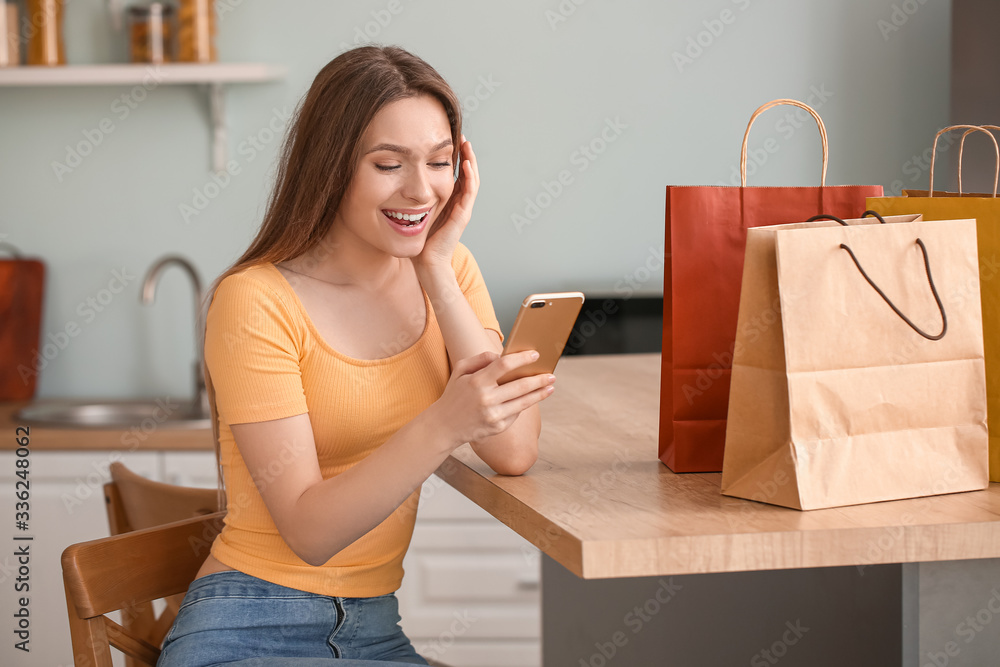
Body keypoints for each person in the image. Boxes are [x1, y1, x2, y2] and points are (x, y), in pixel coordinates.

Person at [157, 46, 555, 666]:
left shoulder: (451, 271)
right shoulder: (255, 300)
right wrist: (447, 420)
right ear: (331, 166)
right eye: (388, 164)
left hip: (373, 630)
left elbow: (512, 450)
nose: (420, 190)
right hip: (251, 626)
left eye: (441, 162)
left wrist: (436, 272)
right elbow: (310, 533)